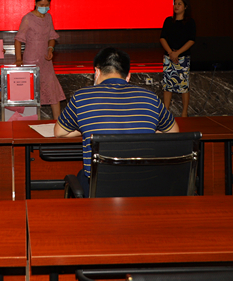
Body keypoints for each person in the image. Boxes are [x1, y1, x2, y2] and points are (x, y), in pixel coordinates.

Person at [55, 47, 179, 194]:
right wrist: (148, 131)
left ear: (97, 72)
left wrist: (85, 128)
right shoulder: (150, 98)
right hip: (142, 189)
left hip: (99, 190)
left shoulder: (82, 97)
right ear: (128, 76)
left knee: (82, 176)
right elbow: (173, 132)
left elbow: (59, 132)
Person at [14, 0, 65, 120]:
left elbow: (52, 37)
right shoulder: (28, 18)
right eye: (41, 5)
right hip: (31, 60)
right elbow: (18, 39)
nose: (44, 8)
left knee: (52, 90)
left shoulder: (48, 17)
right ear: (36, 3)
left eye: (47, 5)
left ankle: (58, 122)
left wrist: (50, 49)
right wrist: (19, 59)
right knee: (32, 93)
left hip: (46, 61)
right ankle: (31, 122)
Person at [159, 0, 196, 117]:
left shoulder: (190, 22)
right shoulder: (169, 21)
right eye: (175, 3)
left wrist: (178, 53)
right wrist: (171, 52)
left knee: (183, 85)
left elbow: (191, 40)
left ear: (185, 7)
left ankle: (184, 113)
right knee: (167, 85)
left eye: (179, 4)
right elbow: (162, 38)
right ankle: (166, 111)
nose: (176, 6)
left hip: (183, 57)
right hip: (169, 57)